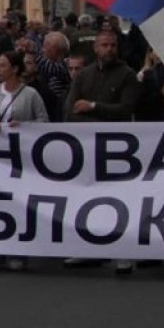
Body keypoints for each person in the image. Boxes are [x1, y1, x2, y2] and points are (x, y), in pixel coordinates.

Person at [64, 27, 140, 275]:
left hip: (118, 149)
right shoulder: (84, 75)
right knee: (86, 198)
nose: (109, 49)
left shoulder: (127, 74)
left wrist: (94, 107)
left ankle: (123, 252)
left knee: (118, 199)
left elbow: (126, 108)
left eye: (113, 45)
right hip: (87, 148)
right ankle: (87, 248)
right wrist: (94, 123)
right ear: (95, 48)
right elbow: (70, 110)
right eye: (104, 45)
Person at [0, 49, 49, 271]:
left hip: (21, 158)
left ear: (15, 69)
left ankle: (18, 251)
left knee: (19, 203)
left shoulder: (30, 94)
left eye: (3, 65)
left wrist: (26, 126)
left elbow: (44, 121)